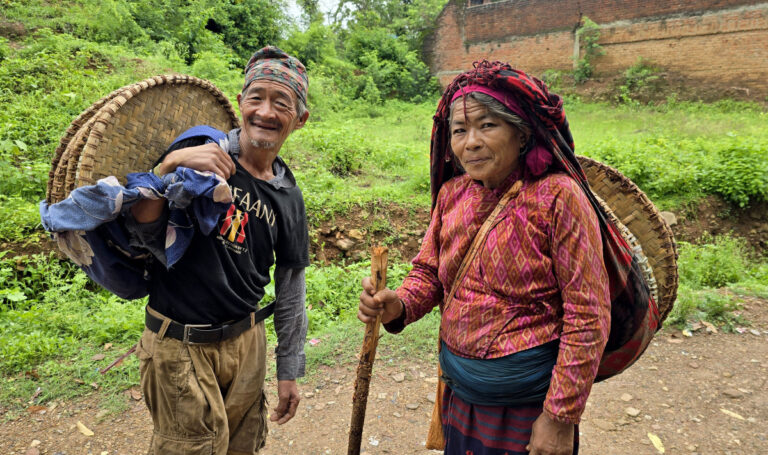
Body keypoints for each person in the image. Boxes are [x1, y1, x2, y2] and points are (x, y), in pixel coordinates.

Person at [358, 61, 612, 455]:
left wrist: (559, 417)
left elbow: (588, 315)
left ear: (521, 133)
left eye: (487, 125)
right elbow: (429, 273)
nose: (471, 142)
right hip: (462, 397)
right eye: (459, 130)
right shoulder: (453, 194)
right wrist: (400, 304)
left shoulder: (558, 197)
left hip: (528, 410)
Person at [128, 46, 310, 454]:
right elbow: (143, 230)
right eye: (256, 97)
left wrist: (289, 370)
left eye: (281, 103)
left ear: (300, 119)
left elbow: (291, 288)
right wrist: (168, 166)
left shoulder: (288, 196)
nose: (265, 112)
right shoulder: (201, 154)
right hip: (181, 343)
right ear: (241, 102)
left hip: (248, 345)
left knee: (242, 447)